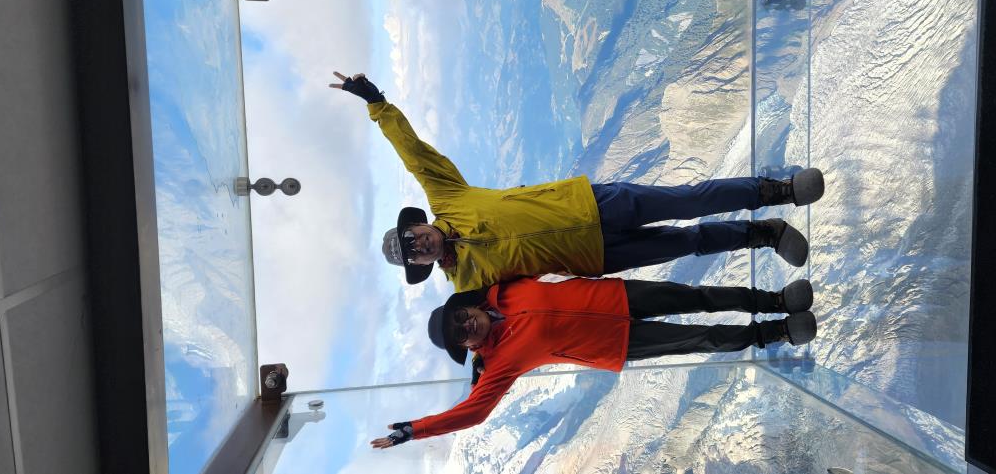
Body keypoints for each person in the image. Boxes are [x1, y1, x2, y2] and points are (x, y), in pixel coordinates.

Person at [330, 73, 825, 292]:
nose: (419, 245)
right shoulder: (467, 284)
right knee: (687, 242)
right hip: (593, 257)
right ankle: (766, 234)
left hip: (590, 205)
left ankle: (777, 190)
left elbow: (414, 155)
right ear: (421, 265)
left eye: (411, 237)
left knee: (686, 201)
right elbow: (496, 320)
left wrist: (376, 103)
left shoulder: (447, 197)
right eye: (413, 253)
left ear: (418, 225)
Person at [368, 276, 818, 448]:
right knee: (700, 338)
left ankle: (774, 300)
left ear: (465, 307)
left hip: (614, 294)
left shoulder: (502, 289)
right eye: (460, 335)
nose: (466, 326)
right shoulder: (497, 362)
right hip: (616, 343)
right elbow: (473, 413)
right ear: (466, 347)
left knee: (696, 296)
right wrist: (415, 430)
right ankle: (774, 332)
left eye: (460, 318)